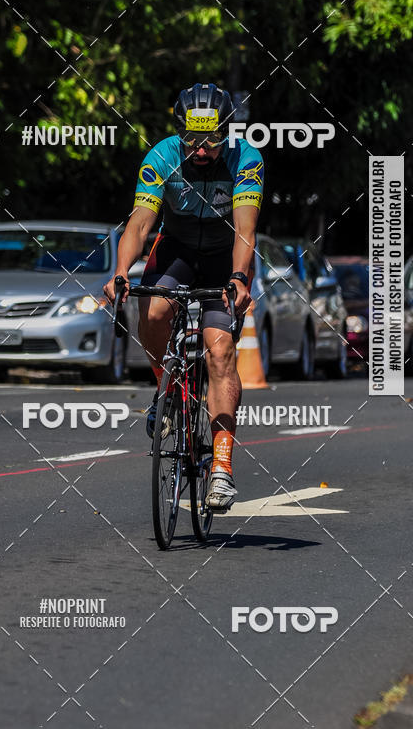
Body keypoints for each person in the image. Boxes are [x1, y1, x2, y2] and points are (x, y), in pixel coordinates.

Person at [103, 82, 263, 510]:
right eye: (192, 138)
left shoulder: (246, 158)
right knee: (154, 312)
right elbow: (140, 223)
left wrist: (238, 278)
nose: (202, 149)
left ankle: (222, 468)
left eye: (212, 138)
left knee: (220, 352)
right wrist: (120, 272)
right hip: (175, 250)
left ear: (227, 133)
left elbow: (245, 230)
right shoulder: (161, 156)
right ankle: (168, 389)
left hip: (225, 257)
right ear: (179, 132)